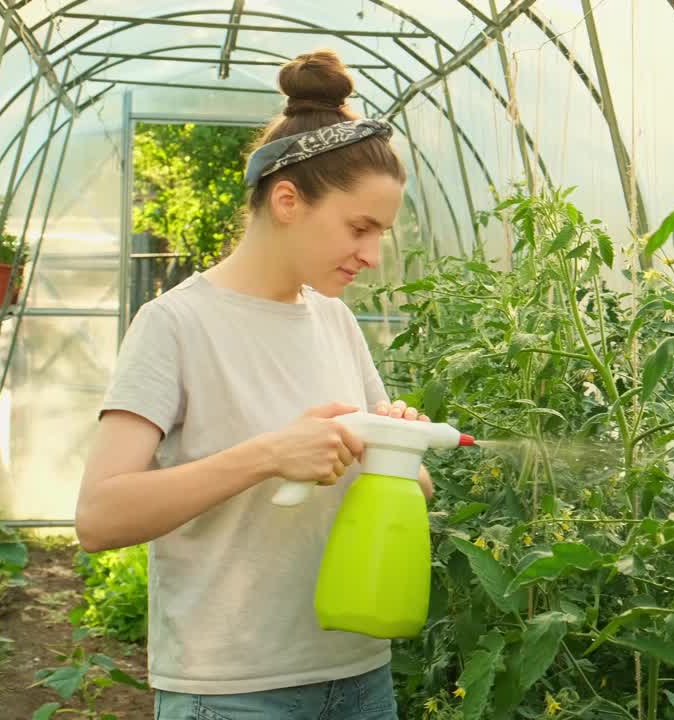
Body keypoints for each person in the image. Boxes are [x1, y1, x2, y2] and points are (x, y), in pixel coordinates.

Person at [75, 49, 433, 720]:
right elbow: (99, 517)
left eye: (381, 233)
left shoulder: (335, 321)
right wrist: (271, 454)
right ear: (287, 200)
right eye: (360, 228)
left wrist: (396, 453)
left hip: (360, 674)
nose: (372, 255)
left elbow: (405, 493)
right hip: (235, 690)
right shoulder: (175, 324)